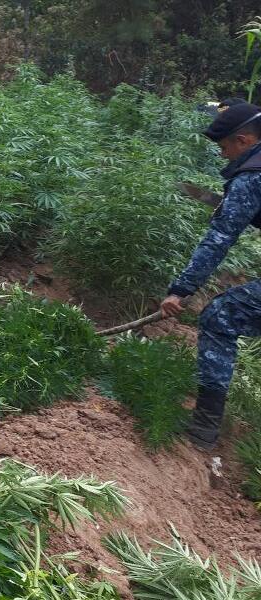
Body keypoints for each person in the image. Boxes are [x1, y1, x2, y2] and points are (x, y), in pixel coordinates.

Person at [160, 103, 261, 450]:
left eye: (225, 149)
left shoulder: (251, 175)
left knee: (220, 316)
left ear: (244, 141)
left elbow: (220, 239)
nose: (224, 156)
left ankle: (203, 430)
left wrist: (181, 290)